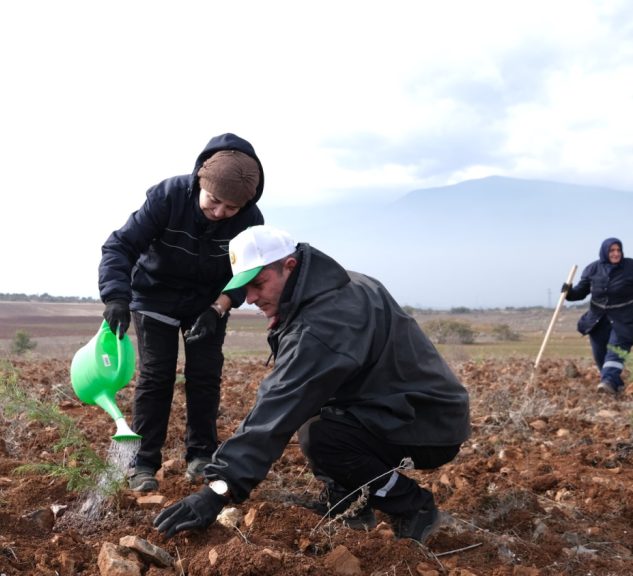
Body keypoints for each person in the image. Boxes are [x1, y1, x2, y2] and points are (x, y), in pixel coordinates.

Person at [153, 225, 471, 545]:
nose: (250, 299)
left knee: (321, 435)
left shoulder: (323, 320)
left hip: (429, 421)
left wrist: (218, 489)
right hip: (406, 404)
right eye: (244, 287)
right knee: (315, 412)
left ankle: (413, 506)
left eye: (258, 284)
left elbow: (279, 404)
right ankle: (348, 503)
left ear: (288, 266)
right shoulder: (331, 284)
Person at [99, 134, 265, 492]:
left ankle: (202, 457)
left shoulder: (251, 219)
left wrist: (219, 307)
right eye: (214, 201)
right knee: (157, 377)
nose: (219, 213)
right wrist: (116, 297)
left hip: (206, 303)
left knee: (205, 376)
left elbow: (249, 272)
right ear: (199, 183)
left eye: (231, 209)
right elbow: (120, 246)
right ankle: (143, 464)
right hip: (154, 296)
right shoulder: (167, 197)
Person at [563, 238, 633, 395]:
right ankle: (616, 385)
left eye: (618, 250)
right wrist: (569, 292)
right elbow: (581, 292)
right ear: (604, 252)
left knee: (617, 349)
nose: (616, 253)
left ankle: (608, 381)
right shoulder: (592, 269)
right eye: (611, 250)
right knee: (600, 354)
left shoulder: (632, 267)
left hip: (626, 316)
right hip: (598, 317)